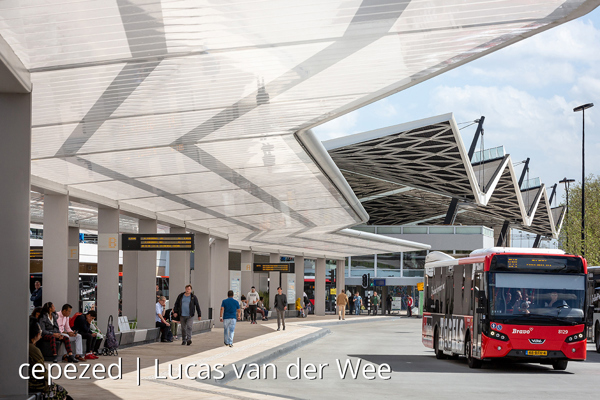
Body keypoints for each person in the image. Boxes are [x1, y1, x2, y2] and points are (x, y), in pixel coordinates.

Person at [28, 322, 72, 399]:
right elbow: (41, 372)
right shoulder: (33, 350)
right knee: (64, 396)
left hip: (29, 381)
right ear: (37, 334)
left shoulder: (26, 346)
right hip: (35, 384)